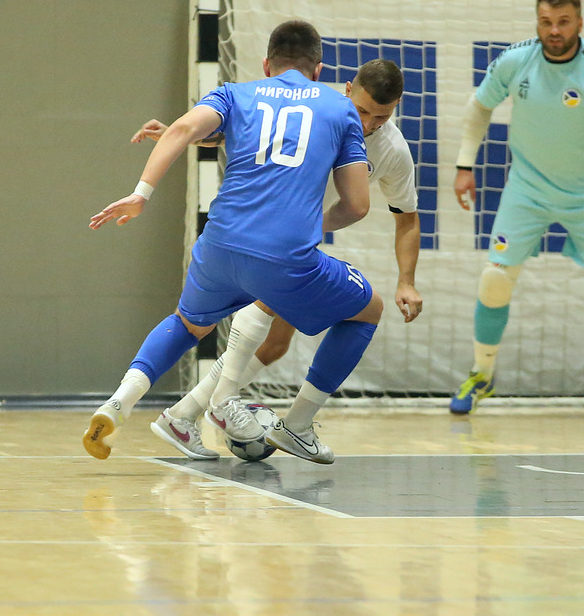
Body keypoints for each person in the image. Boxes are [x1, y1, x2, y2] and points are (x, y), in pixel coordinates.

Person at [83, 19, 384, 465]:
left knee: (188, 324)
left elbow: (181, 130)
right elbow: (357, 206)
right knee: (368, 310)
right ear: (318, 70)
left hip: (219, 245)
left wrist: (140, 194)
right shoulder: (339, 109)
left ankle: (119, 402)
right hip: (285, 258)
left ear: (266, 65)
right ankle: (298, 425)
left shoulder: (235, 94)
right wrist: (305, 226)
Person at [135, 59, 423, 460]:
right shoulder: (321, 110)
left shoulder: (393, 150)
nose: (369, 123)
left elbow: (407, 217)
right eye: (362, 111)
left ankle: (185, 413)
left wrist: (406, 280)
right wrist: (177, 134)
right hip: (268, 236)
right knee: (316, 306)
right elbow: (243, 133)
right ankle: (233, 409)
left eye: (382, 116)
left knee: (274, 346)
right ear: (347, 90)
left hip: (296, 243)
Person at [449, 0, 584, 416]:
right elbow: (479, 106)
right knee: (494, 280)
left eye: (563, 22)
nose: (554, 31)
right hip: (527, 192)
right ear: (537, 22)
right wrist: (464, 164)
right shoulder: (516, 60)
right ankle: (482, 375)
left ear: (580, 23)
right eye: (546, 22)